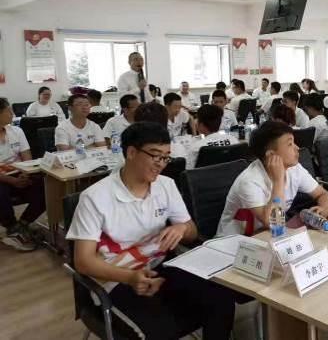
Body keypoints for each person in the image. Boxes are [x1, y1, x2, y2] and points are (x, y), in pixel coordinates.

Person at [66, 121, 236, 340]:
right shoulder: (95, 198)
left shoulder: (166, 185)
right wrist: (130, 277)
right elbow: (83, 261)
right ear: (131, 152)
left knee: (221, 298)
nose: (161, 164)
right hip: (117, 279)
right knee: (161, 330)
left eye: (166, 157)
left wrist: (181, 228)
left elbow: (192, 232)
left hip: (160, 268)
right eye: (155, 156)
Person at [216, 121, 328, 236]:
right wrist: (278, 181)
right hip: (232, 241)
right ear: (271, 155)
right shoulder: (249, 181)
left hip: (264, 235)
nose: (297, 148)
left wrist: (324, 208)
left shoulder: (295, 169)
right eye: (290, 144)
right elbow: (274, 224)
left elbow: (322, 194)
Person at [0, 98, 45, 251]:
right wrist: (12, 181)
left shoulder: (16, 131)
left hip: (20, 172)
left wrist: (26, 174)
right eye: (8, 111)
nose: (12, 114)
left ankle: (22, 224)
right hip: (2, 178)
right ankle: (11, 226)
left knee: (46, 185)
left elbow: (27, 157)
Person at [188, 105, 239, 169]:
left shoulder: (196, 147)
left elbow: (189, 170)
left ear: (201, 125)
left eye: (197, 119)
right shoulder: (234, 140)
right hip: (231, 174)